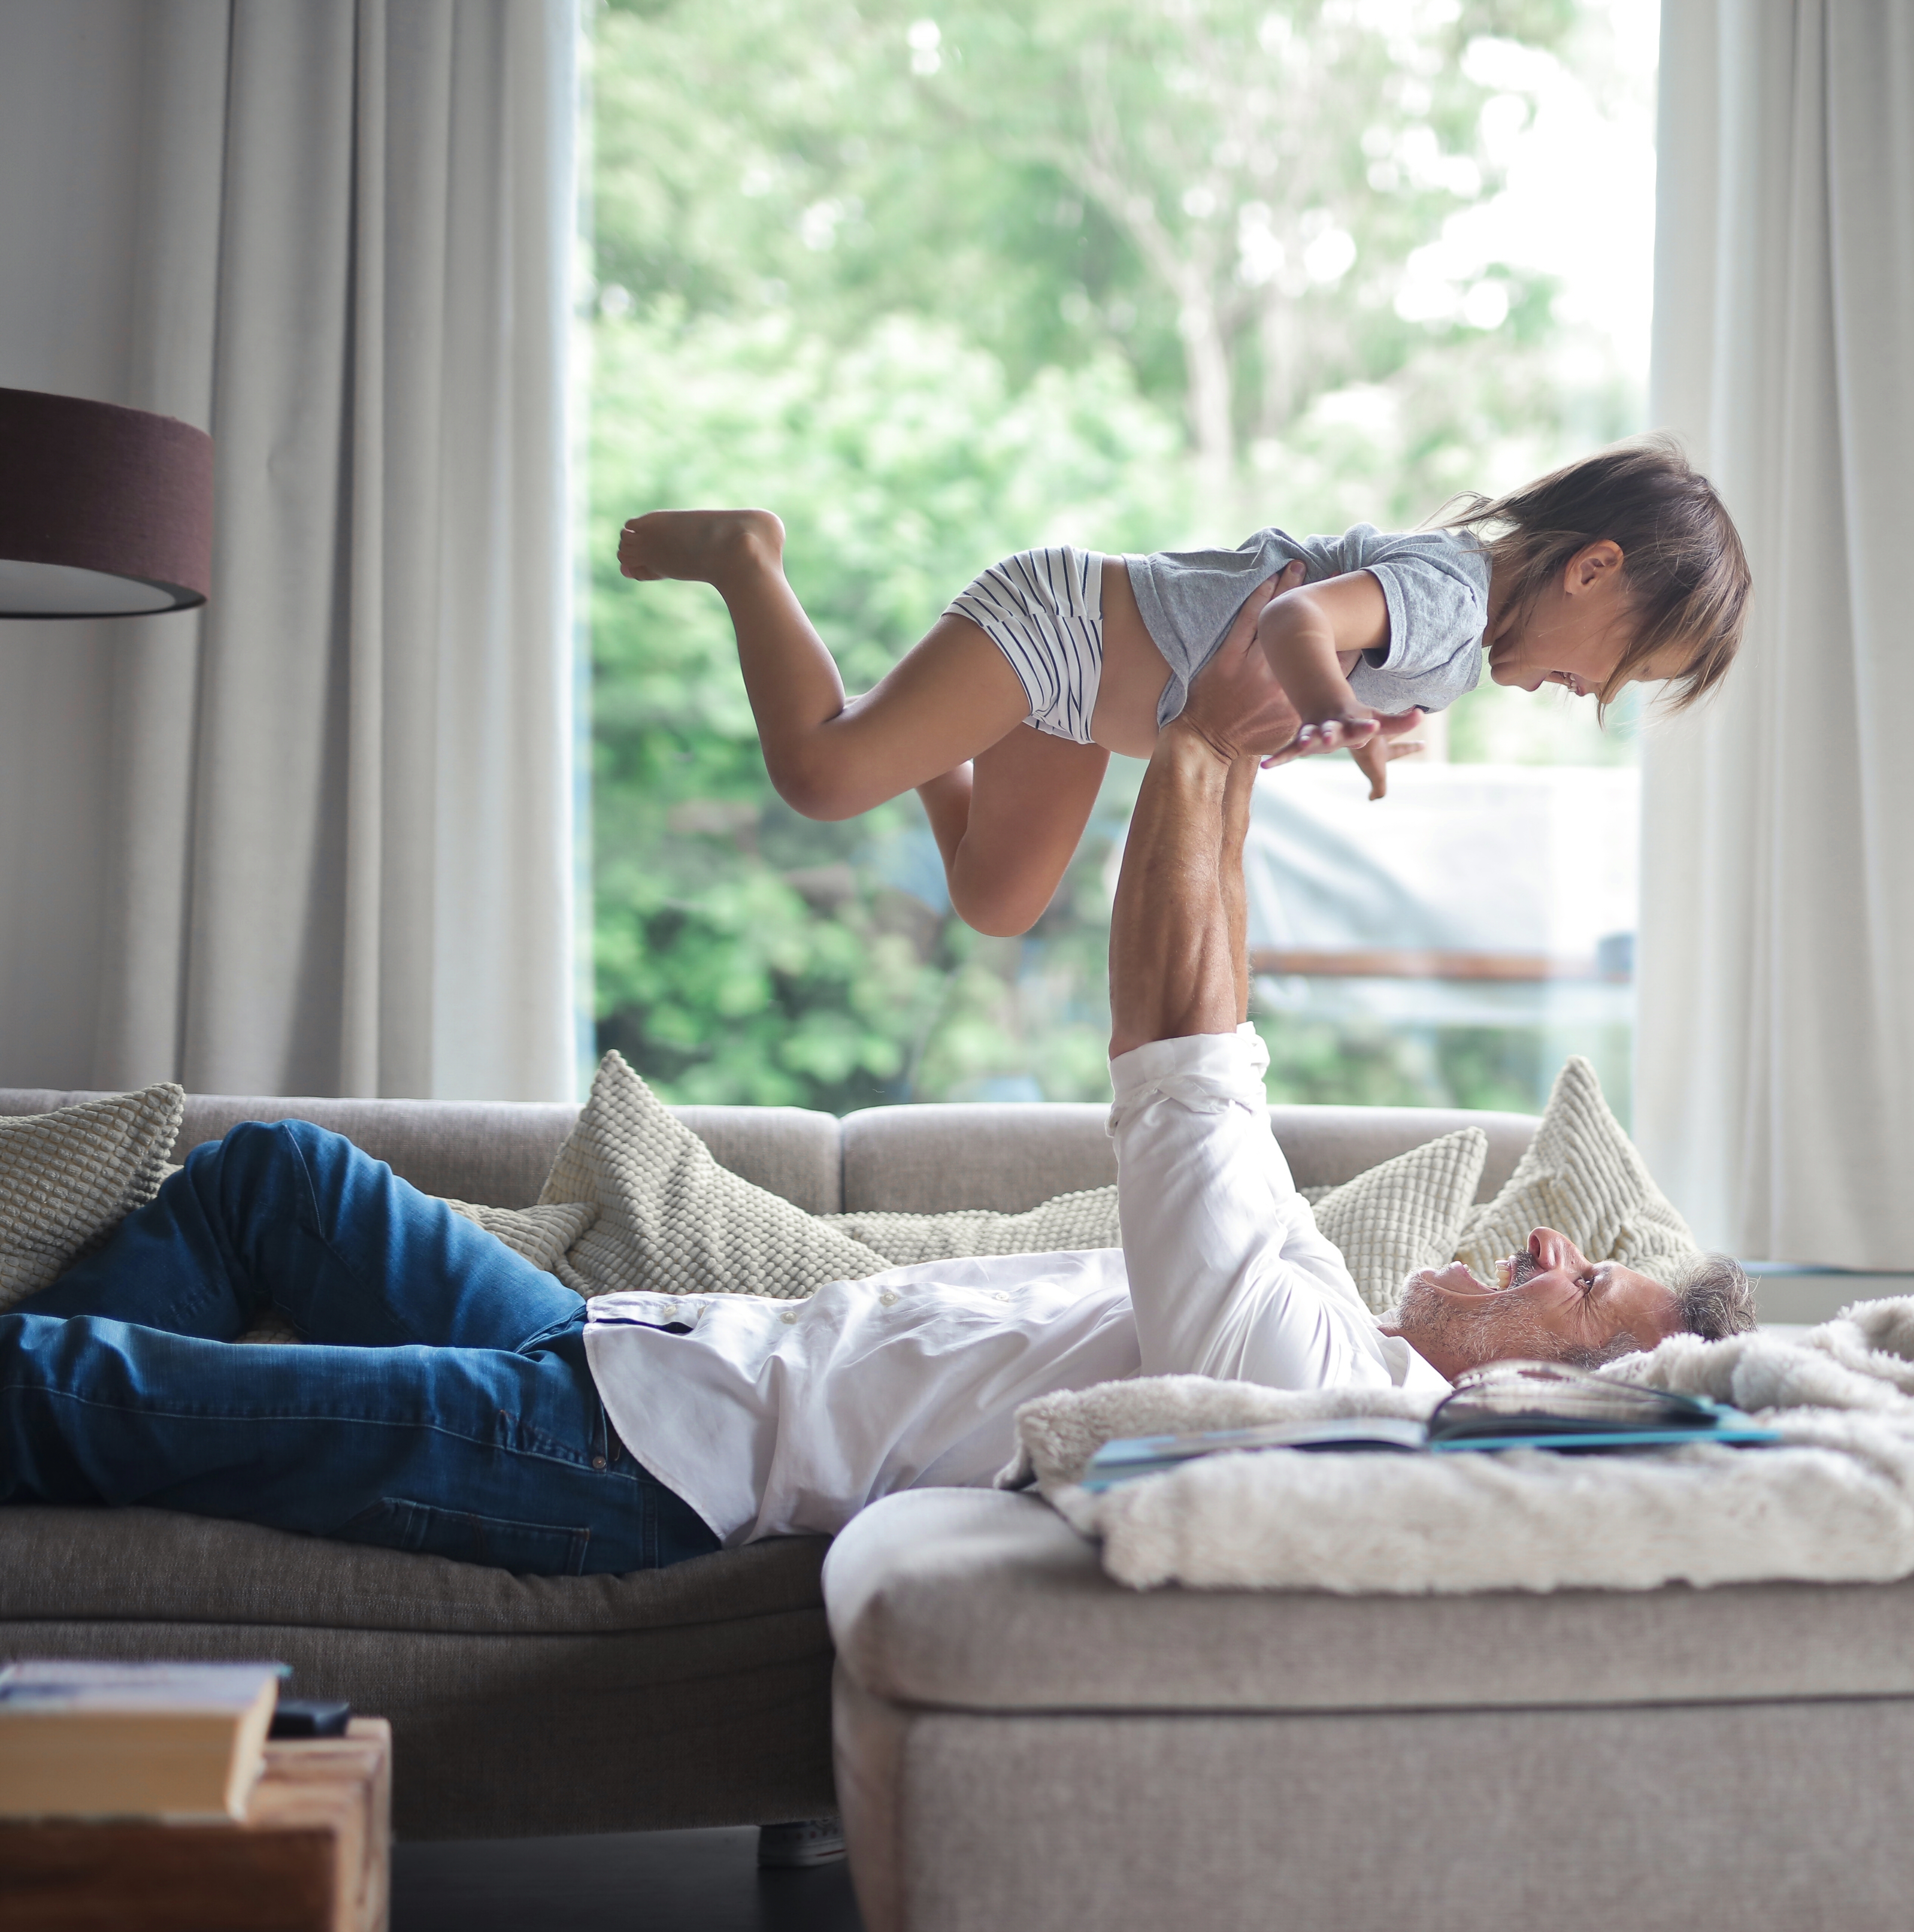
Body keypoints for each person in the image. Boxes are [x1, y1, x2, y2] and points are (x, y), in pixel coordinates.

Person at [0, 576, 1758, 1576]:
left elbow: (1185, 1080)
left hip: (619, 1466)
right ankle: (59, 1505)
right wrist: (1215, 765)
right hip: (639, 1350)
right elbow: (1230, 1035)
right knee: (275, 1181)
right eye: (1575, 1247)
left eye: (1579, 1285)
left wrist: (1206, 743)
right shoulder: (1336, 1315)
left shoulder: (1312, 1392)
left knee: (69, 1384)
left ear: (1545, 1411)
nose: (1547, 1247)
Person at [614, 436, 1751, 936]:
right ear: (1593, 568)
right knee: (820, 774)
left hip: (1079, 706)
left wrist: (1327, 723)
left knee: (995, 902)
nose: (1587, 692)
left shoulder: (1457, 638)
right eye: (1616, 668)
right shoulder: (1456, 595)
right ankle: (744, 558)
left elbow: (1277, 661)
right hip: (1058, 626)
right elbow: (1305, 618)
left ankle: (925, 733)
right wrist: (1337, 711)